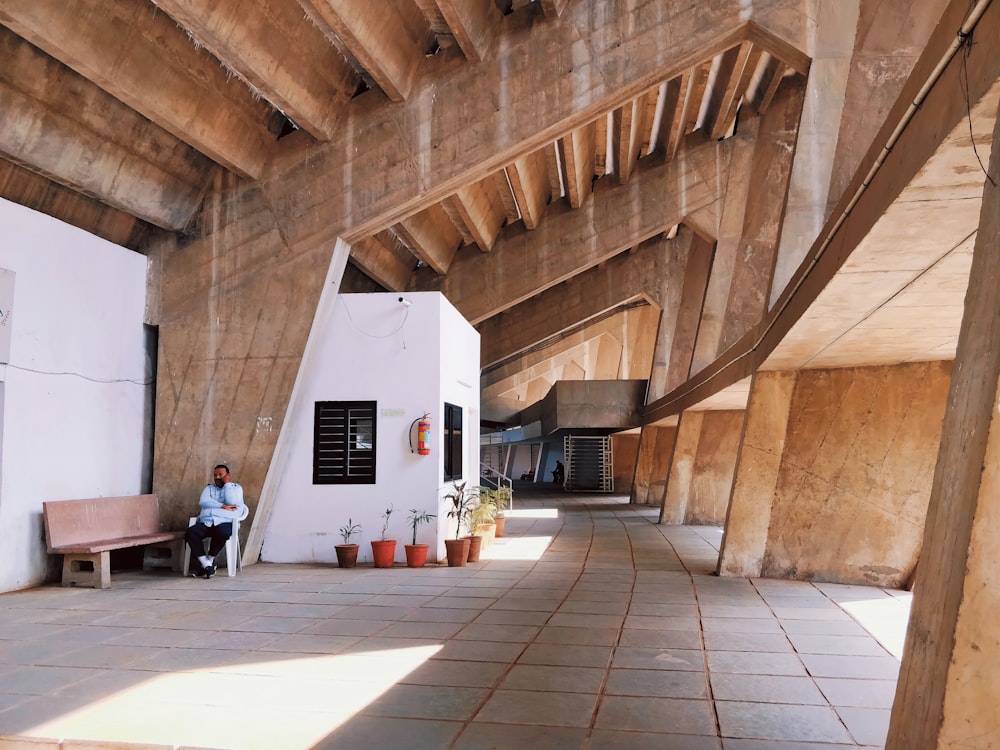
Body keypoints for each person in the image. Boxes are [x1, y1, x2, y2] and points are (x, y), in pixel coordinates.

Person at [186, 464, 245, 578]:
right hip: (208, 521)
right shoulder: (209, 488)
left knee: (222, 532)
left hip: (225, 521)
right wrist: (222, 506)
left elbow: (232, 501)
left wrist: (227, 484)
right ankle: (207, 564)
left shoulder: (236, 488)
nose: (217, 477)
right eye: (215, 475)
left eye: (220, 475)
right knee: (191, 532)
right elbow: (204, 502)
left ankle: (208, 562)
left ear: (228, 476)